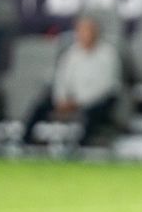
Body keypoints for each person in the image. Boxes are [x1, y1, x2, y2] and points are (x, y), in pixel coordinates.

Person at [22, 16, 122, 146]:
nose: (83, 35)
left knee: (95, 111)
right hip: (70, 100)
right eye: (80, 31)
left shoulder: (108, 54)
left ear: (96, 33)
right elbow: (61, 78)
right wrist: (61, 99)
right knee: (41, 105)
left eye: (87, 31)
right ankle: (25, 141)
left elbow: (105, 86)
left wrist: (78, 102)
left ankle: (81, 146)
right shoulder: (72, 53)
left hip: (96, 99)